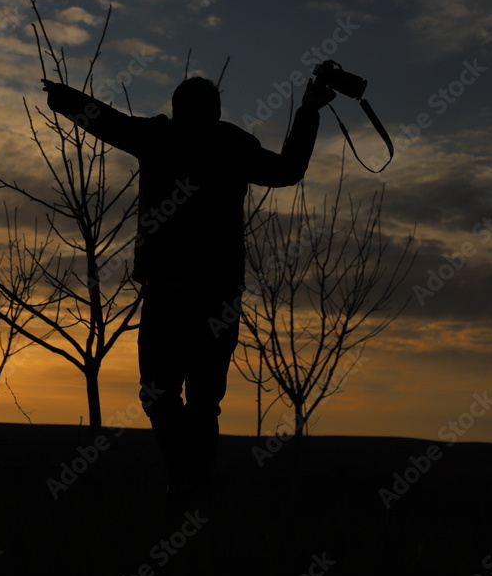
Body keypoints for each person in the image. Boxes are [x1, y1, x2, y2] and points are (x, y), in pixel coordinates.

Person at [42, 74, 335, 502]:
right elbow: (288, 169)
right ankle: (191, 486)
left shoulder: (162, 136)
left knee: (163, 395)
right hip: (217, 294)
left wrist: (62, 96)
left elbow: (106, 121)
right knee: (200, 402)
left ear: (178, 108)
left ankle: (185, 483)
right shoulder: (233, 145)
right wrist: (308, 109)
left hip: (172, 290)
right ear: (214, 111)